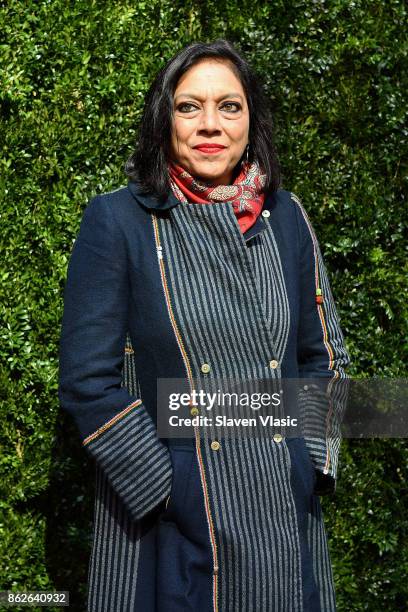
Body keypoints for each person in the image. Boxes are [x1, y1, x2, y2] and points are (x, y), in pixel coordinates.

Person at [58, 38, 350, 612]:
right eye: (189, 106)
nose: (210, 124)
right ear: (163, 119)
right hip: (175, 525)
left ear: (251, 121)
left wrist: (306, 459)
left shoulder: (285, 217)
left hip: (284, 518)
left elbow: (326, 355)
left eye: (229, 106)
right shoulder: (119, 220)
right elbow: (87, 380)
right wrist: (169, 487)